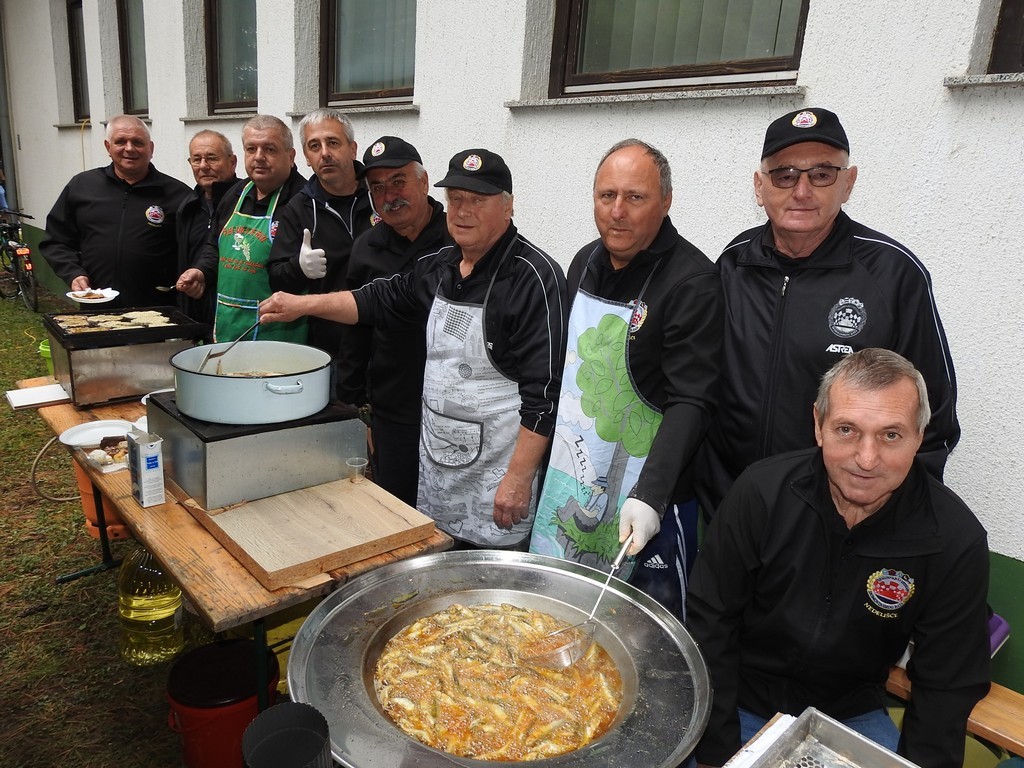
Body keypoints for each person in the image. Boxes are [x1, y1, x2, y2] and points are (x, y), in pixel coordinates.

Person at [686, 348, 990, 768]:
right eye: (847, 429)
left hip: (850, 714)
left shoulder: (955, 539)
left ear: (919, 436)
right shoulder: (760, 492)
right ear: (818, 425)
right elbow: (709, 622)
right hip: (737, 698)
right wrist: (717, 753)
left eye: (891, 435)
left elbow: (948, 685)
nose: (866, 460)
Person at [260, 148, 567, 548]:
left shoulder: (534, 277)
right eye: (456, 199)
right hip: (438, 465)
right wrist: (299, 304)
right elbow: (376, 299)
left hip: (497, 476)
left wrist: (518, 478)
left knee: (491, 590)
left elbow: (545, 394)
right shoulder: (439, 264)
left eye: (478, 200)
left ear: (507, 207)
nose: (462, 211)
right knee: (433, 561)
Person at [696, 107, 960, 518]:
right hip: (731, 507)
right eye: (784, 175)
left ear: (849, 183)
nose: (801, 191)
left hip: (834, 517)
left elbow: (934, 418)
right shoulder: (733, 263)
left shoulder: (893, 275)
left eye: (822, 174)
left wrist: (886, 515)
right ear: (759, 186)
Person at [528, 139, 722, 618]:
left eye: (635, 197)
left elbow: (692, 401)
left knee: (632, 630)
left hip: (651, 492)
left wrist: (651, 496)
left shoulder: (692, 282)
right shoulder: (584, 262)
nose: (618, 212)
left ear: (666, 202)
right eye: (606, 195)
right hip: (573, 476)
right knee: (552, 611)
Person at [345, 136, 448, 506]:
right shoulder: (366, 249)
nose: (389, 195)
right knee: (398, 512)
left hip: (456, 415)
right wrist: (356, 412)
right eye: (377, 187)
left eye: (398, 182)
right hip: (394, 416)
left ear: (423, 181)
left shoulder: (459, 239)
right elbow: (354, 338)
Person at [266, 108, 375, 398]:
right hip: (332, 349)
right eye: (315, 146)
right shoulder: (300, 208)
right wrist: (298, 269)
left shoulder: (380, 192)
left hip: (387, 344)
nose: (324, 153)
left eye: (333, 143)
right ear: (305, 155)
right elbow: (276, 278)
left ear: (352, 148)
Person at [40, 115, 190, 308]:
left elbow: (195, 249)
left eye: (138, 142)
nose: (129, 148)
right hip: (97, 308)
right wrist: (73, 273)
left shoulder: (178, 194)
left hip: (158, 309)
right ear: (108, 147)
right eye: (120, 141)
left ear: (151, 148)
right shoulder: (82, 186)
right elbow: (56, 241)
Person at [193, 114, 306, 343]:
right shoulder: (234, 194)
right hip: (229, 322)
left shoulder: (303, 201)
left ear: (291, 156)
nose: (259, 157)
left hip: (278, 331)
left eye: (270, 149)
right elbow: (213, 246)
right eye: (251, 149)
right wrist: (202, 271)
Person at [174, 130, 240, 334]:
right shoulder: (187, 207)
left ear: (232, 162)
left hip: (237, 319)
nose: (203, 166)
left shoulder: (246, 203)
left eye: (212, 158)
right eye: (197, 159)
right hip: (196, 319)